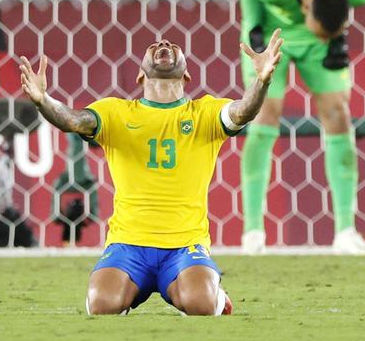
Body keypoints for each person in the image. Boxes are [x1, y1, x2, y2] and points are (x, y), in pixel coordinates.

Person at [18, 31, 284, 316]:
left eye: (173, 44)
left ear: (187, 76)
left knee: (201, 305)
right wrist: (43, 100)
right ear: (140, 77)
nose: (164, 44)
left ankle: (216, 295)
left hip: (185, 245)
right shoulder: (115, 113)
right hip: (127, 244)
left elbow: (243, 112)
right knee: (101, 305)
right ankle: (122, 294)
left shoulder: (204, 113)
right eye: (154, 45)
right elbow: (71, 119)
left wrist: (262, 81)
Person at [238, 0, 365, 255]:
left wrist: (334, 38)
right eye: (321, 29)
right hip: (275, 39)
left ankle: (346, 231)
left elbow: (333, 19)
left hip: (319, 50)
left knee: (338, 114)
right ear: (303, 9)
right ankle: (253, 231)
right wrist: (254, 25)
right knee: (265, 113)